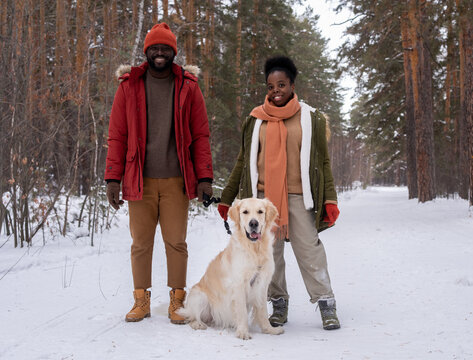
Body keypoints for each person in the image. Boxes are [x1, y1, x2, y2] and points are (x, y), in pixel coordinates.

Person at [218, 56, 341, 330]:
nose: (276, 91)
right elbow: (242, 160)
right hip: (262, 200)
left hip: (299, 196)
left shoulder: (312, 118)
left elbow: (322, 162)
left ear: (292, 85)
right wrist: (228, 198)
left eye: (282, 85)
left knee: (309, 250)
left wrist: (330, 199)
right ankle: (278, 303)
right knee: (267, 254)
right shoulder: (255, 119)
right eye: (271, 86)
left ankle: (326, 304)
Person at [104, 23, 213, 324]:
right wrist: (113, 178)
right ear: (147, 51)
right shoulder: (129, 86)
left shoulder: (188, 86)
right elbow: (117, 136)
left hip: (177, 180)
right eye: (155, 47)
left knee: (176, 242)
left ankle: (177, 300)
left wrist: (204, 178)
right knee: (141, 242)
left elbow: (201, 135)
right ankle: (141, 300)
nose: (160, 52)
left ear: (173, 52)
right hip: (139, 179)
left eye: (166, 48)